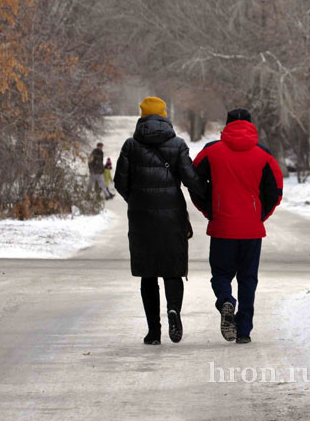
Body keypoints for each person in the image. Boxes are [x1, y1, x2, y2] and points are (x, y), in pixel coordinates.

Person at [114, 97, 206, 345]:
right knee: (172, 270)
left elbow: (119, 183)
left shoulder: (130, 146)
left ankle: (153, 332)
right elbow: (191, 180)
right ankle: (173, 309)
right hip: (172, 218)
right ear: (164, 116)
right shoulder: (177, 145)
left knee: (148, 274)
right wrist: (210, 198)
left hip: (141, 220)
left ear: (142, 116)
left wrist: (137, 201)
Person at [191, 108, 283, 344]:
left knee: (221, 274)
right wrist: (260, 215)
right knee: (248, 278)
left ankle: (225, 301)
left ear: (227, 124)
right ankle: (243, 331)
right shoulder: (264, 154)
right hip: (251, 229)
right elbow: (276, 190)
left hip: (222, 226)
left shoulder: (211, 152)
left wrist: (209, 210)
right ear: (251, 125)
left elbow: (193, 181)